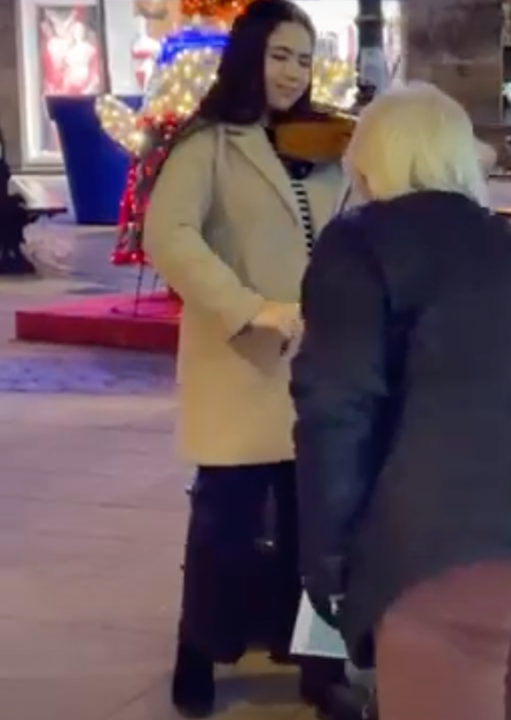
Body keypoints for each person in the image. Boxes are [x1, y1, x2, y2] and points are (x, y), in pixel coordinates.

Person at [290, 82, 511, 720]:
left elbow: (334, 411)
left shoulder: (359, 244)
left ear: (368, 163)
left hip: (454, 561)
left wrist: (327, 565)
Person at [142, 1, 349, 717]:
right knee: (223, 525)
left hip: (317, 365)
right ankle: (197, 650)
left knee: (314, 527)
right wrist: (247, 306)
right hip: (241, 363)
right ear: (249, 55)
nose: (293, 72)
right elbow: (169, 235)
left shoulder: (326, 144)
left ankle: (319, 664)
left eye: (304, 58)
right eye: (279, 54)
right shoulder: (210, 143)